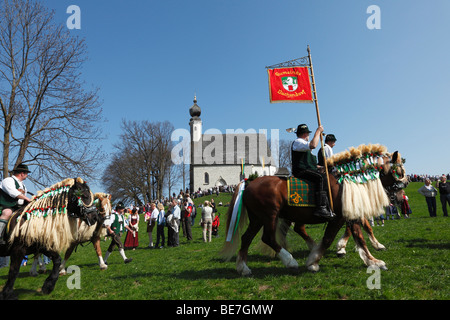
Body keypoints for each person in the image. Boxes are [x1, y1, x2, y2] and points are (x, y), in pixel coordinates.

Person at [291, 124, 335, 220]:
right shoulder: (298, 142)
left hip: (307, 169)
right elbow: (313, 145)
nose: (309, 136)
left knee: (323, 175)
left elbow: (309, 162)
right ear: (305, 134)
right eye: (308, 134)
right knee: (321, 178)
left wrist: (320, 167)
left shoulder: (303, 145)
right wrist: (318, 131)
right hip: (301, 171)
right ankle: (321, 207)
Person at [0, 163, 32, 244]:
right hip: (5, 205)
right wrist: (26, 198)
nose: (27, 175)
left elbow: (23, 200)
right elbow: (13, 193)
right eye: (26, 174)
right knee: (7, 213)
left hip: (18, 207)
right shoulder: (8, 180)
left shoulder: (24, 186)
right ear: (22, 173)